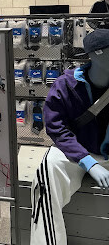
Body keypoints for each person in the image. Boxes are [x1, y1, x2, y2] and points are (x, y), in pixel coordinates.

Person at [31, 29, 109, 245]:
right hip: (76, 152)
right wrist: (87, 161)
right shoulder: (66, 84)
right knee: (48, 170)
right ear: (96, 54)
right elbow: (56, 127)